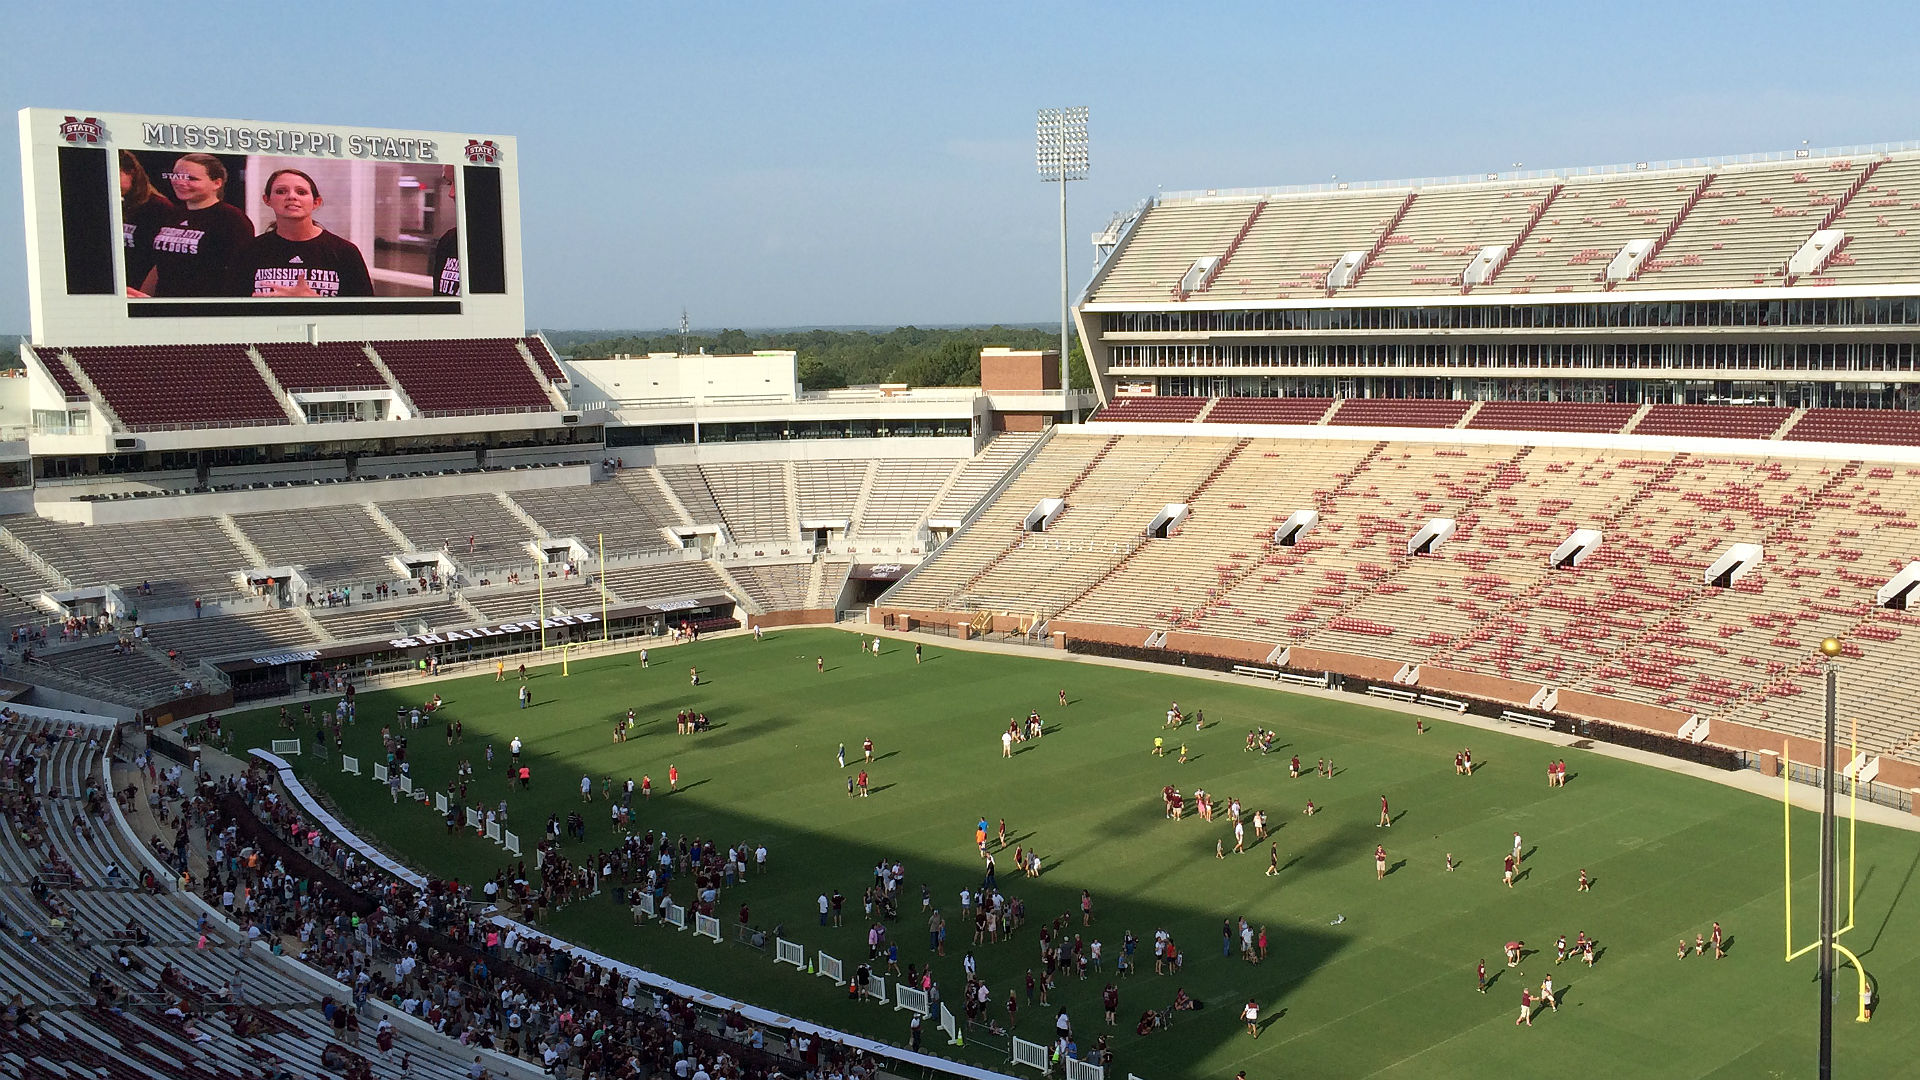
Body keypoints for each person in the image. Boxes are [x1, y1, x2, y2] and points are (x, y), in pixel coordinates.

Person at [228, 168, 373, 297]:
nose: (291, 196)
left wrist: (314, 303)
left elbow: (365, 315)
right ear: (267, 200)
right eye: (281, 191)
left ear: (316, 202)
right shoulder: (250, 250)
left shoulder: (345, 252)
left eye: (301, 192)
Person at [136, 153, 252, 297]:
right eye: (176, 176)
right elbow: (160, 266)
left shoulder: (231, 219)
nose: (180, 182)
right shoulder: (173, 214)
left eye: (191, 178)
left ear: (217, 183)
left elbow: (241, 273)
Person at [119, 151, 175, 296]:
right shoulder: (113, 203)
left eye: (116, 174)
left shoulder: (158, 207)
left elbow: (163, 260)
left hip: (140, 292)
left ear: (131, 172)